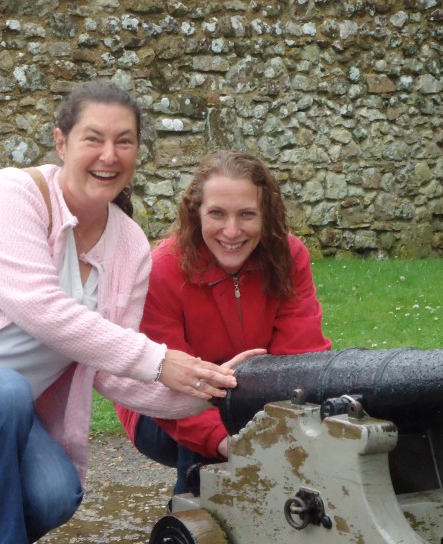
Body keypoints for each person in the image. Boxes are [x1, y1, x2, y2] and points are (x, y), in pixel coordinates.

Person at [0, 82, 260, 544]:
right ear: (61, 142)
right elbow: (39, 307)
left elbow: (114, 373)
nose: (109, 155)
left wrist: (211, 389)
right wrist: (161, 360)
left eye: (124, 141)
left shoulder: (129, 245)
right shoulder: (13, 193)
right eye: (93, 138)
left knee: (54, 494)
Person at [116, 150, 331, 494]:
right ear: (196, 213)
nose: (231, 231)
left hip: (255, 397)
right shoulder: (162, 270)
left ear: (266, 215)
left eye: (247, 214)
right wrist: (228, 443)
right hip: (161, 406)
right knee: (207, 451)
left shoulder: (289, 257)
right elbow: (170, 383)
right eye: (217, 213)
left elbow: (301, 358)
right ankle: (192, 507)